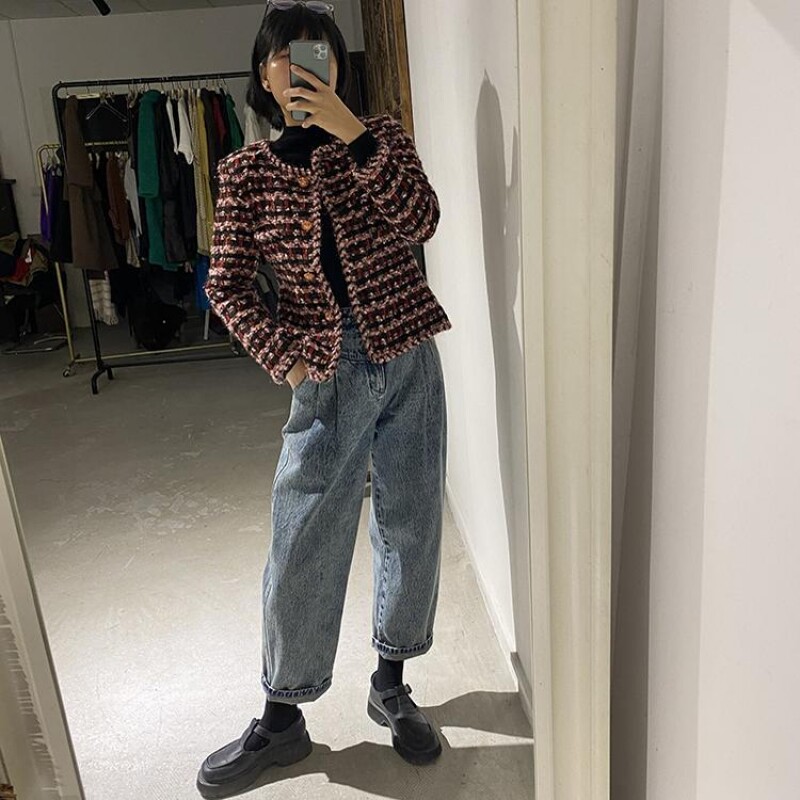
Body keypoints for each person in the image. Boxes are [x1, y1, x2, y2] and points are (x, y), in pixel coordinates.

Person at [197, 2, 451, 796]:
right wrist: (289, 361)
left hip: (408, 352)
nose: (305, 64)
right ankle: (282, 717)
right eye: (288, 54)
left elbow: (423, 219)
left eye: (320, 51)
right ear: (264, 74)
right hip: (325, 369)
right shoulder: (246, 174)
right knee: (302, 535)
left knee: (411, 521)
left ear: (338, 66)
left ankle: (392, 683)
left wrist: (357, 136)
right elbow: (227, 285)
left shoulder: (381, 140)